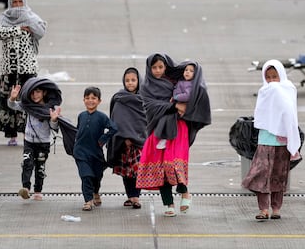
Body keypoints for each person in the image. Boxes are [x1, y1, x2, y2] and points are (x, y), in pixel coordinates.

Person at [136, 53, 211, 217]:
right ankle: (168, 204)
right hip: (158, 130)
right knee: (160, 169)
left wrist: (183, 104)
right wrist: (175, 106)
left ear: (166, 67)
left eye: (160, 67)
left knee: (174, 164)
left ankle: (185, 193)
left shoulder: (177, 81)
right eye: (154, 67)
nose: (157, 71)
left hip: (178, 128)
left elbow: (195, 89)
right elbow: (151, 106)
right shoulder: (146, 87)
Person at [242, 59, 300, 220]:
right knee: (260, 174)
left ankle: (276, 208)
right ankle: (263, 209)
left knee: (278, 176)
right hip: (266, 139)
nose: (272, 81)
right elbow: (261, 114)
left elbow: (290, 114)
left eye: (275, 76)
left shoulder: (289, 89)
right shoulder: (264, 92)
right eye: (268, 77)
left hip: (282, 141)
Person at [0, 0, 47, 146]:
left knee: (28, 100)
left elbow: (41, 31)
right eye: (14, 2)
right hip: (9, 67)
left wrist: (29, 25)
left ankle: (27, 132)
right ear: (10, 3)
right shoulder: (4, 17)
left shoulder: (31, 17)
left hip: (27, 67)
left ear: (24, 2)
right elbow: (0, 32)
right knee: (9, 100)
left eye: (20, 2)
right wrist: (19, 29)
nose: (17, 5)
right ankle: (12, 135)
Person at [7, 77, 62, 201]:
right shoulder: (27, 106)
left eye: (38, 92)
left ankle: (38, 190)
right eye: (32, 92)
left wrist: (54, 119)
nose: (34, 95)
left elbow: (54, 127)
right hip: (29, 142)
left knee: (40, 167)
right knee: (27, 163)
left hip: (43, 143)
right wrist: (12, 97)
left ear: (44, 93)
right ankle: (25, 188)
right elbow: (12, 106)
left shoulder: (49, 109)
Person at [108, 67, 147, 209]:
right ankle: (130, 196)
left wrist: (137, 136)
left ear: (138, 81)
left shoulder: (143, 99)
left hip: (140, 142)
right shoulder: (119, 99)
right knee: (126, 172)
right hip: (123, 142)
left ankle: (136, 196)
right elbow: (117, 119)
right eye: (127, 80)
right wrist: (125, 137)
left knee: (137, 170)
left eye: (133, 80)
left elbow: (145, 121)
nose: (130, 83)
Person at [73, 87, 118, 211]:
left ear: (99, 101)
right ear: (83, 100)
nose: (90, 101)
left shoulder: (102, 117)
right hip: (81, 152)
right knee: (86, 175)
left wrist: (103, 139)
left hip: (95, 153)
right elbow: (77, 131)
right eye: (87, 98)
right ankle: (88, 200)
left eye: (93, 98)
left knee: (96, 176)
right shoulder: (81, 115)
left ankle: (96, 192)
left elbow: (114, 128)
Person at [156, 63, 195, 150]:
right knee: (166, 118)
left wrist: (175, 97)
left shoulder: (190, 84)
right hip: (177, 105)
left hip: (182, 106)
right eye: (186, 70)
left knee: (168, 118)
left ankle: (165, 138)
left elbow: (187, 96)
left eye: (191, 71)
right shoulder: (182, 81)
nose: (188, 72)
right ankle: (163, 137)